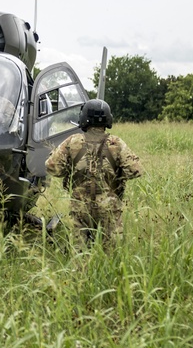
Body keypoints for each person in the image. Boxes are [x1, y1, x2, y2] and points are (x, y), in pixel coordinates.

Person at [44, 99, 143, 250]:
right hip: (109, 206)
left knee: (80, 254)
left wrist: (70, 170)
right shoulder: (116, 143)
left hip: (80, 206)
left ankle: (82, 272)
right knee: (111, 255)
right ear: (107, 119)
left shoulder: (73, 141)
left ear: (84, 118)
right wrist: (116, 174)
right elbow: (136, 170)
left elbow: (52, 167)